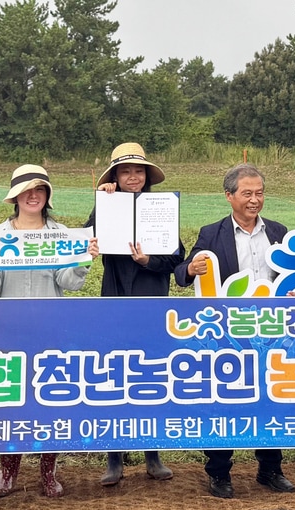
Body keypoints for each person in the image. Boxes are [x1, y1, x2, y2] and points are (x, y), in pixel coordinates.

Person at [0, 165, 99, 498]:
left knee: (49, 399)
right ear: (15, 197)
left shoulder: (60, 235)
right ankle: (8, 472)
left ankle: (47, 474)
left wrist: (82, 260)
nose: (33, 195)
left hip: (50, 329)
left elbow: (68, 283)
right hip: (7, 330)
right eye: (26, 190)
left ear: (47, 197)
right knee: (10, 399)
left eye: (39, 190)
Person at [173, 164, 295, 499]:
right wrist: (191, 268)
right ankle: (219, 473)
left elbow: (291, 278)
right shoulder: (212, 233)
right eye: (247, 194)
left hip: (271, 333)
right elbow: (182, 273)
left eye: (259, 193)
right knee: (224, 401)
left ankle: (270, 469)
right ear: (229, 196)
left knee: (271, 400)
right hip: (227, 335)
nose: (255, 200)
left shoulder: (278, 232)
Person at [85, 142, 184, 486]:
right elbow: (88, 242)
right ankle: (114, 459)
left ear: (146, 176)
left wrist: (148, 261)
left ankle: (152, 455)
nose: (132, 176)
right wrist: (101, 200)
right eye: (124, 171)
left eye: (138, 171)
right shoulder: (106, 204)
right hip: (114, 302)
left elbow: (175, 258)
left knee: (151, 377)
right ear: (114, 175)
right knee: (115, 376)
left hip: (153, 303)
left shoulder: (162, 207)